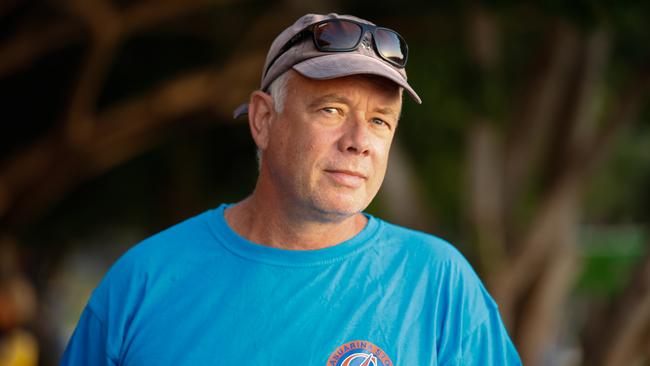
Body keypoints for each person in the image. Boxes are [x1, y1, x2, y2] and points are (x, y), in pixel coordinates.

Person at [61, 13, 521, 365]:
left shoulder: (438, 283)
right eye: (332, 110)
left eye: (380, 121)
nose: (359, 141)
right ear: (263, 120)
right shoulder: (144, 281)